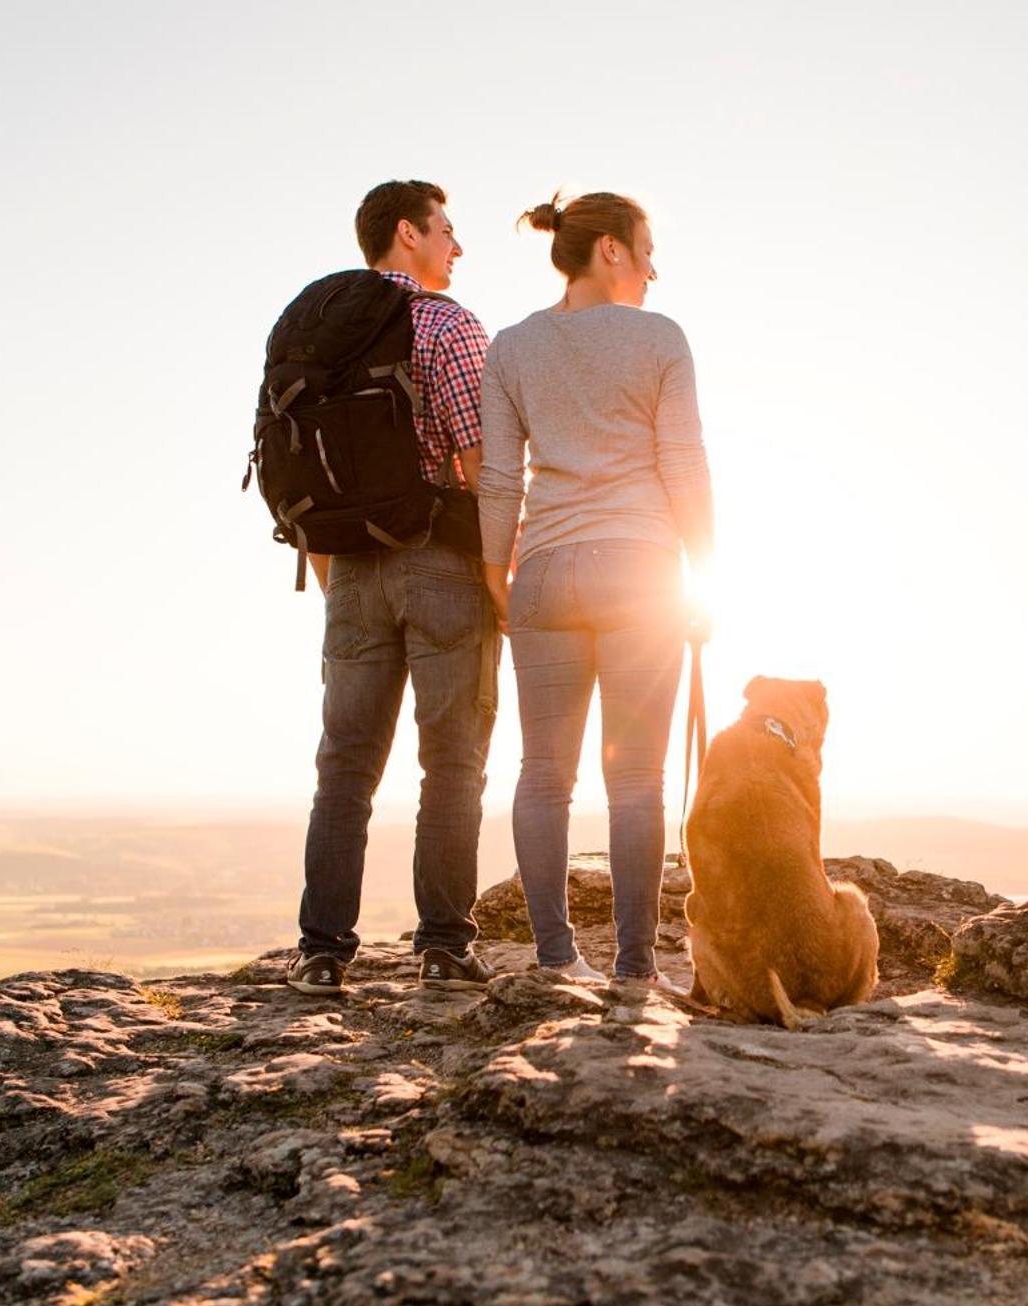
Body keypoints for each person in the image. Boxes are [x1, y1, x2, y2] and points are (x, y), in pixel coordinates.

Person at [478, 191, 715, 984]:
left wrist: (494, 571)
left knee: (544, 773)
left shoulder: (512, 345)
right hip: (638, 569)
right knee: (636, 777)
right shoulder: (659, 339)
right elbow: (683, 464)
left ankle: (553, 958)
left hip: (543, 569)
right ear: (610, 249)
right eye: (647, 250)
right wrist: (705, 569)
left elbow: (500, 478)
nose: (654, 269)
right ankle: (635, 967)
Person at [287, 180, 500, 996]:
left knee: (343, 766)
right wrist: (500, 577)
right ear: (408, 233)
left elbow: (296, 470)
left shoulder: (317, 329)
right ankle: (444, 945)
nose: (457, 246)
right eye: (447, 229)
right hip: (443, 563)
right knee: (451, 762)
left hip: (347, 573)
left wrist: (334, 567)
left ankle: (321, 951)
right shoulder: (446, 323)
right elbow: (482, 460)